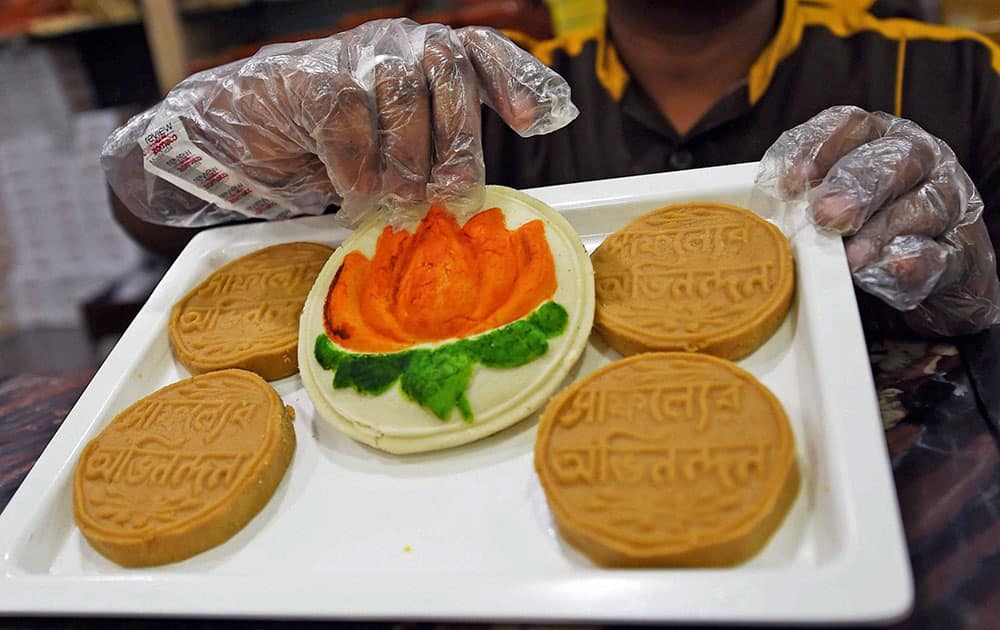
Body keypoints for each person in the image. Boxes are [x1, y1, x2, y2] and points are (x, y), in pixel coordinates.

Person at [101, 0, 1000, 338]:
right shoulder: (460, 90)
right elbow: (151, 214)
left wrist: (979, 294)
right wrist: (213, 138)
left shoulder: (954, 73)